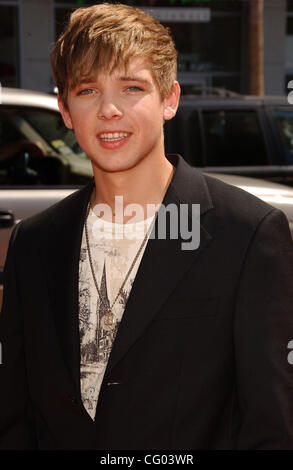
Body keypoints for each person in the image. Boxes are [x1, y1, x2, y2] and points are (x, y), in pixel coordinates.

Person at [0, 3, 293, 450]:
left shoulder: (248, 233)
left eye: (131, 87)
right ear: (64, 109)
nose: (109, 110)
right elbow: (15, 418)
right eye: (87, 90)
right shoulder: (33, 242)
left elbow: (271, 425)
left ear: (169, 99)